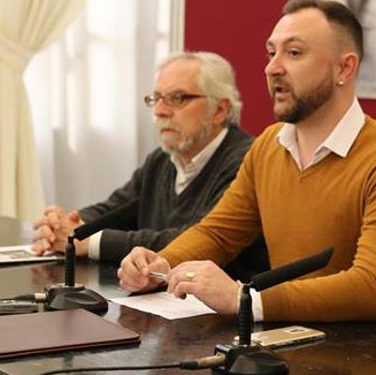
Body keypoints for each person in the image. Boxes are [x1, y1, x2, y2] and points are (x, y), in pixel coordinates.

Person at [118, 0, 376, 324]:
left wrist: (246, 299)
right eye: (271, 53)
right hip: (290, 342)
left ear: (345, 67)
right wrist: (160, 265)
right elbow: (218, 233)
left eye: (294, 53)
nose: (272, 68)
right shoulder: (269, 145)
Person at [31, 51, 266, 281]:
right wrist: (63, 226)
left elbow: (198, 239)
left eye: (177, 98)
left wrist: (89, 242)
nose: (160, 110)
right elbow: (114, 210)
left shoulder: (246, 160)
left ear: (220, 110)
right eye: (156, 98)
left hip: (223, 312)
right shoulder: (161, 160)